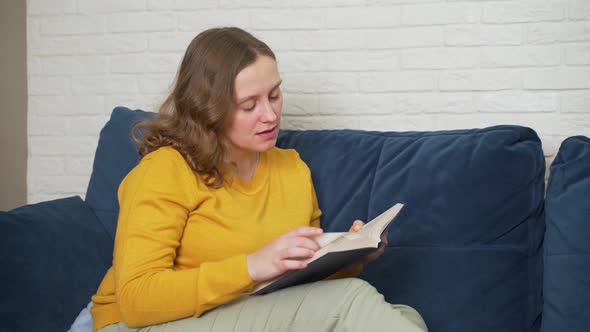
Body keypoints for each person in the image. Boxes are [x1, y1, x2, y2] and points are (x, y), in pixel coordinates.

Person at [90, 27, 428, 332]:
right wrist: (252, 266)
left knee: (405, 315)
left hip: (238, 312)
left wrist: (349, 257)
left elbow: (300, 295)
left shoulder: (292, 169)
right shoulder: (165, 170)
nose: (270, 115)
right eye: (249, 104)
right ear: (208, 108)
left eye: (274, 95)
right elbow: (137, 300)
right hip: (141, 325)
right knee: (352, 301)